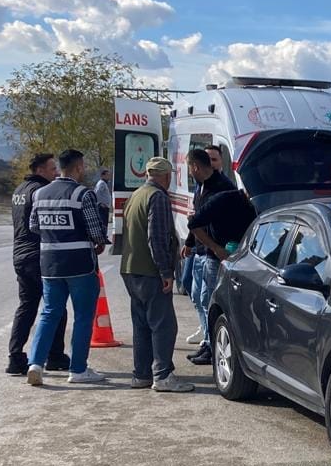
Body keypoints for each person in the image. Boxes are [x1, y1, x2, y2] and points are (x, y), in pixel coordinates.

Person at [26, 148, 109, 387]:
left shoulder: (40, 193)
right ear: (79, 167)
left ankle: (35, 363)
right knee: (83, 316)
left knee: (49, 312)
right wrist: (99, 242)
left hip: (49, 264)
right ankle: (78, 369)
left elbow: (34, 226)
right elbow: (96, 232)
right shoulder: (82, 194)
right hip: (80, 264)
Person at [120, 157, 193, 392]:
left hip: (130, 268)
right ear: (167, 176)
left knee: (141, 325)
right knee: (164, 325)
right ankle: (162, 375)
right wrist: (165, 271)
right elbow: (157, 237)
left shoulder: (135, 196)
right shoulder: (158, 197)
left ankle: (141, 374)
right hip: (150, 271)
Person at [183, 145, 251, 366]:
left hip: (214, 255)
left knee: (210, 301)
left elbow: (197, 222)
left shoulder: (222, 190)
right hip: (203, 252)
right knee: (199, 297)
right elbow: (199, 220)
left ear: (195, 167)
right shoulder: (201, 187)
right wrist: (190, 243)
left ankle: (213, 346)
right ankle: (208, 341)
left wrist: (215, 248)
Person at [7, 152, 69, 376]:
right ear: (40, 170)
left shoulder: (19, 190)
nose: (56, 173)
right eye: (52, 169)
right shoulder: (40, 192)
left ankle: (15, 357)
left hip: (20, 256)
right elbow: (42, 225)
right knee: (56, 307)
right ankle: (55, 356)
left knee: (27, 306)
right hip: (38, 255)